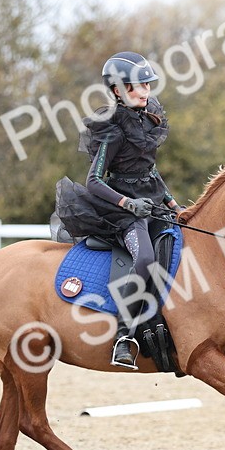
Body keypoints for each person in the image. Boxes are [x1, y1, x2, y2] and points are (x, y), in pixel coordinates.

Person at [71, 51, 180, 369]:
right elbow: (93, 181)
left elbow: (149, 171)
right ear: (118, 91)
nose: (144, 92)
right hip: (121, 210)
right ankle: (123, 335)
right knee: (145, 258)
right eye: (136, 87)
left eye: (147, 85)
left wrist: (173, 204)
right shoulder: (113, 129)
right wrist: (127, 203)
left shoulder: (148, 119)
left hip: (151, 203)